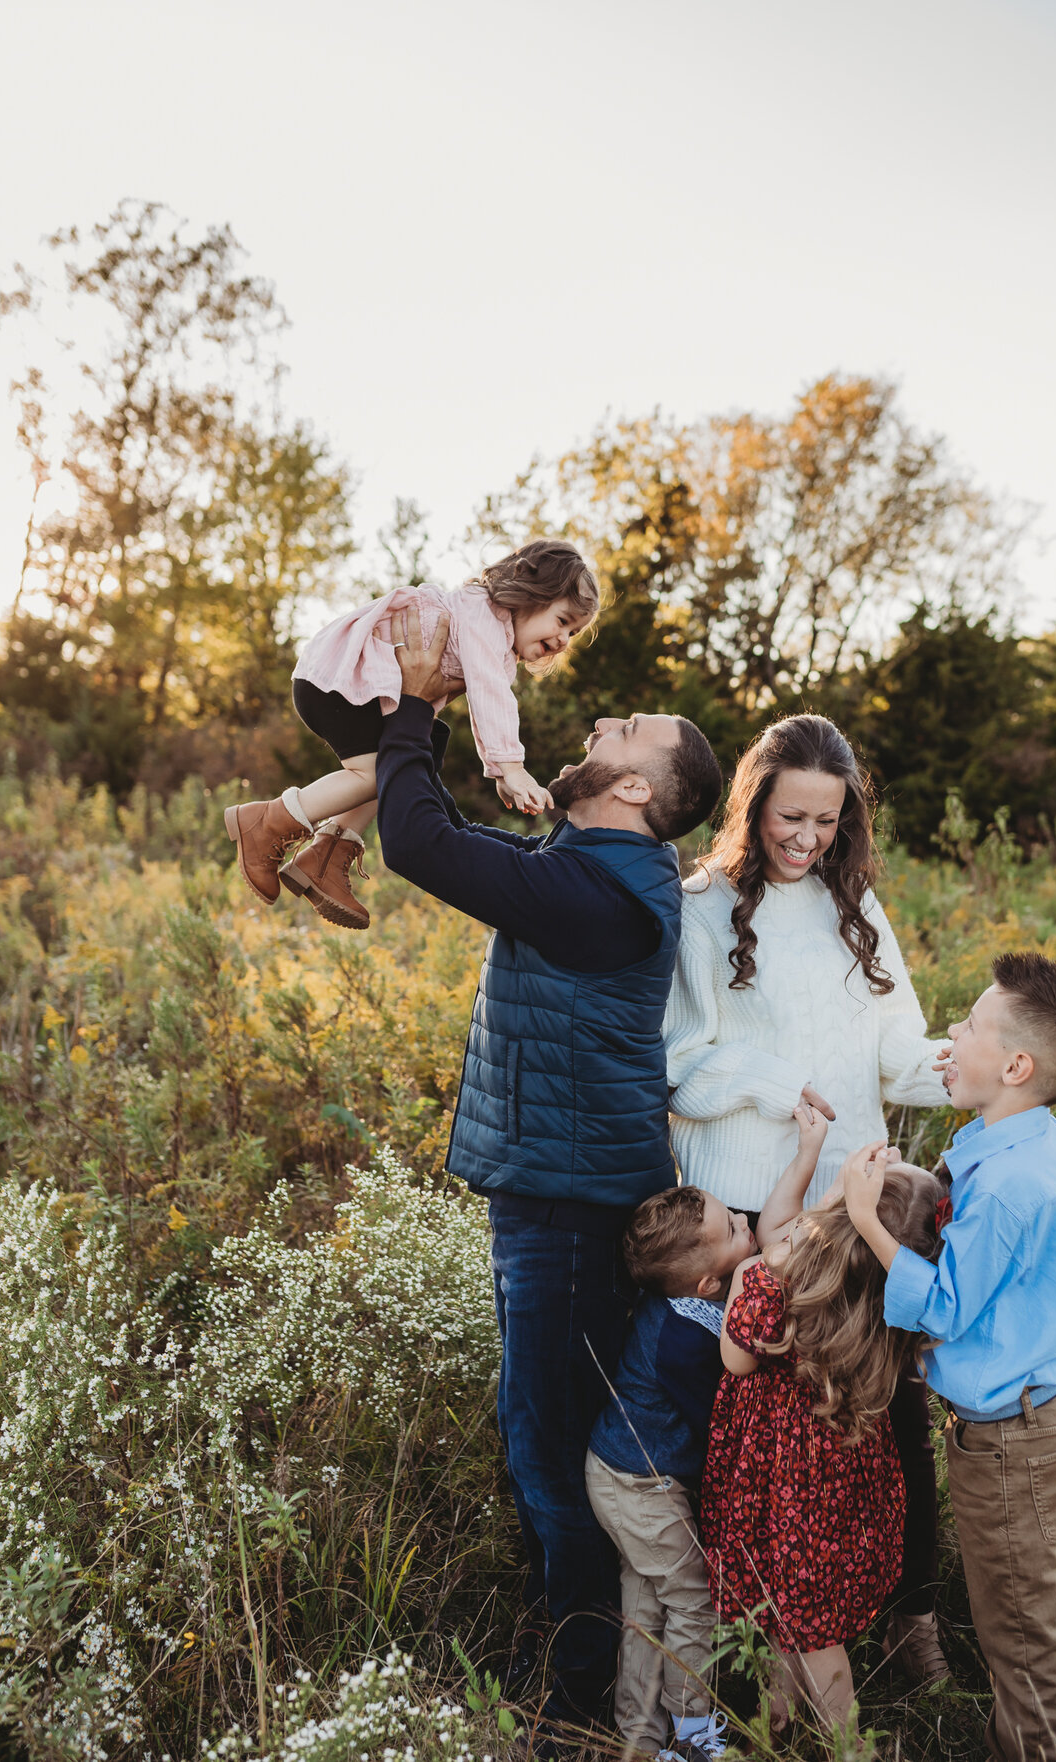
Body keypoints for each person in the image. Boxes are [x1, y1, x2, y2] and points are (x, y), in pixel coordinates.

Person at [376, 606, 724, 1736]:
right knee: (537, 1434)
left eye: (630, 729)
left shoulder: (601, 897)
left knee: (554, 1457)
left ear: (635, 792)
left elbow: (422, 842)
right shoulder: (593, 862)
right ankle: (575, 1673)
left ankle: (572, 1712)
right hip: (553, 1191)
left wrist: (419, 705)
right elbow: (472, 838)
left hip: (571, 1211)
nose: (607, 715)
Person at [660, 713, 954, 1688]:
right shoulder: (701, 906)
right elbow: (678, 1071)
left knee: (885, 1426)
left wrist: (982, 1067)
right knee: (753, 1442)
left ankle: (905, 1621)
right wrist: (774, 1083)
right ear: (754, 803)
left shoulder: (859, 911)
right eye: (792, 816)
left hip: (857, 1219)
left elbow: (902, 1056)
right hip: (751, 1212)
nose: (807, 838)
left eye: (827, 820)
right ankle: (750, 1647)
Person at [841, 950, 1056, 1762]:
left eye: (969, 1025)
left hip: (1015, 1441)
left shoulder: (1012, 1183)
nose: (950, 1035)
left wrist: (869, 1221)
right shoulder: (1018, 1145)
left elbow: (951, 1306)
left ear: (1018, 1065)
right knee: (1019, 1613)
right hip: (1020, 1424)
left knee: (1021, 1632)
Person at [702, 1099, 947, 1733]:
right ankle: (781, 1728)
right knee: (807, 1615)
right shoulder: (884, 1305)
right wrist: (840, 1192)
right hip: (837, 1487)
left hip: (773, 1482)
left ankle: (844, 1741)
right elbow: (805, 1233)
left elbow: (736, 1360)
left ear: (845, 1218)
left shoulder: (774, 1276)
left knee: (800, 1626)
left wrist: (746, 1278)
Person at [222, 538, 596, 929]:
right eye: (563, 620)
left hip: (352, 684)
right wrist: (512, 768)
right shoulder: (486, 613)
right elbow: (491, 695)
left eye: (575, 634)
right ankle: (267, 822)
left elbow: (487, 699)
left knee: (401, 762)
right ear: (529, 592)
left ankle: (326, 856)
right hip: (338, 680)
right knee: (372, 774)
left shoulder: (494, 637)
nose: (564, 641)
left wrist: (502, 772)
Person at [584, 1185, 755, 1762]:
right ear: (707, 1284)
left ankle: (640, 1738)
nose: (742, 1220)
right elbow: (717, 1426)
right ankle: (692, 1729)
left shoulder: (683, 1303)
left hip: (620, 1475)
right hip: (642, 1488)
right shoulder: (684, 1341)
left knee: (645, 1605)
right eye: (731, 1227)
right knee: (694, 1600)